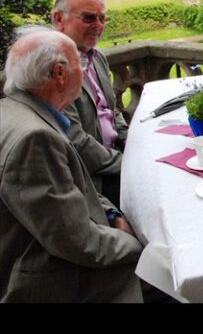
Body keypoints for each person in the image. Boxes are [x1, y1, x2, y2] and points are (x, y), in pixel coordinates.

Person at [0, 29, 142, 302]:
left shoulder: (18, 111)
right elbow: (79, 243)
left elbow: (78, 189)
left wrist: (113, 216)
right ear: (60, 74)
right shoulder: (34, 138)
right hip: (53, 281)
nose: (86, 70)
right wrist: (143, 244)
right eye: (80, 64)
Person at [52, 0, 124, 204]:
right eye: (89, 18)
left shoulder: (97, 57)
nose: (98, 25)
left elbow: (112, 111)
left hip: (115, 158)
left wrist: (131, 142)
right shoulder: (54, 67)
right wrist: (128, 163)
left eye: (102, 18)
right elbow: (76, 142)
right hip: (94, 181)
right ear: (58, 19)